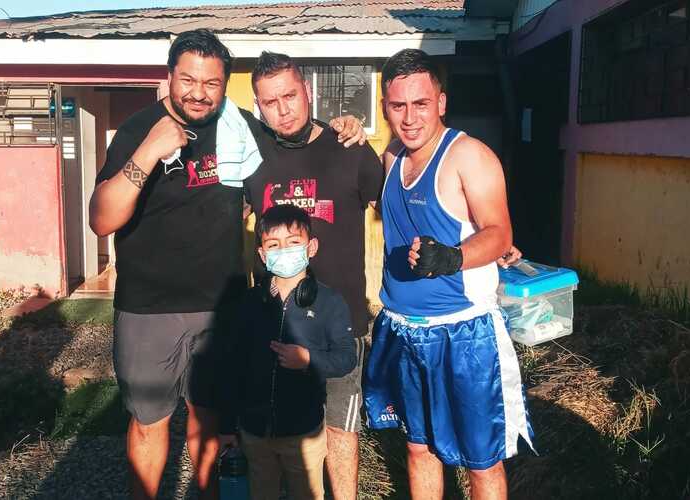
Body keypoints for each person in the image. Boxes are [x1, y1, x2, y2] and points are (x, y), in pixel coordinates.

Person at [88, 29, 366, 500]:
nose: (199, 93)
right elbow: (101, 219)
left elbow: (291, 135)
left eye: (212, 83)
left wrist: (344, 125)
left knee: (211, 420)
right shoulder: (139, 130)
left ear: (224, 85)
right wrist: (149, 151)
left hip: (222, 306)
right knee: (149, 422)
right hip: (149, 308)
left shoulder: (238, 126)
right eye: (188, 80)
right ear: (169, 76)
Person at [362, 49, 534, 500]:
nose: (409, 118)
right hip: (402, 328)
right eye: (398, 106)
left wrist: (452, 258)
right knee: (419, 448)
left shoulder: (469, 156)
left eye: (421, 104)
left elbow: (499, 233)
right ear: (384, 108)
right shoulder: (392, 157)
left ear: (440, 102)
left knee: (482, 461)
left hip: (463, 333)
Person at [243, 51, 384, 499]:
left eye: (290, 96)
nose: (283, 110)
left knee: (340, 432)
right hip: (276, 327)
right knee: (277, 437)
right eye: (270, 102)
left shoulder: (350, 148)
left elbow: (396, 203)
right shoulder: (251, 156)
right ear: (258, 106)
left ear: (307, 90)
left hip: (341, 324)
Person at [218, 204, 356, 500]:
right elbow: (232, 367)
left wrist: (309, 360)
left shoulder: (330, 302)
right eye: (273, 245)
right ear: (262, 254)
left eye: (293, 242)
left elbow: (346, 358)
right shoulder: (250, 303)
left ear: (311, 247)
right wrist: (228, 425)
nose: (284, 250)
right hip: (255, 432)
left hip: (305, 433)